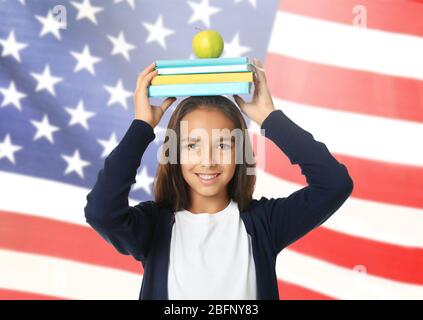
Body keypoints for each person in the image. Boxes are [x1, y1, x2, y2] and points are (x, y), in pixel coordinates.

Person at [84, 58, 354, 300]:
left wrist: (270, 119)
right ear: (174, 153)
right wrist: (142, 127)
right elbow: (101, 212)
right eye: (192, 146)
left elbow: (334, 184)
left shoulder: (265, 224)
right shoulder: (155, 226)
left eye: (223, 145)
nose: (209, 160)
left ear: (241, 153)